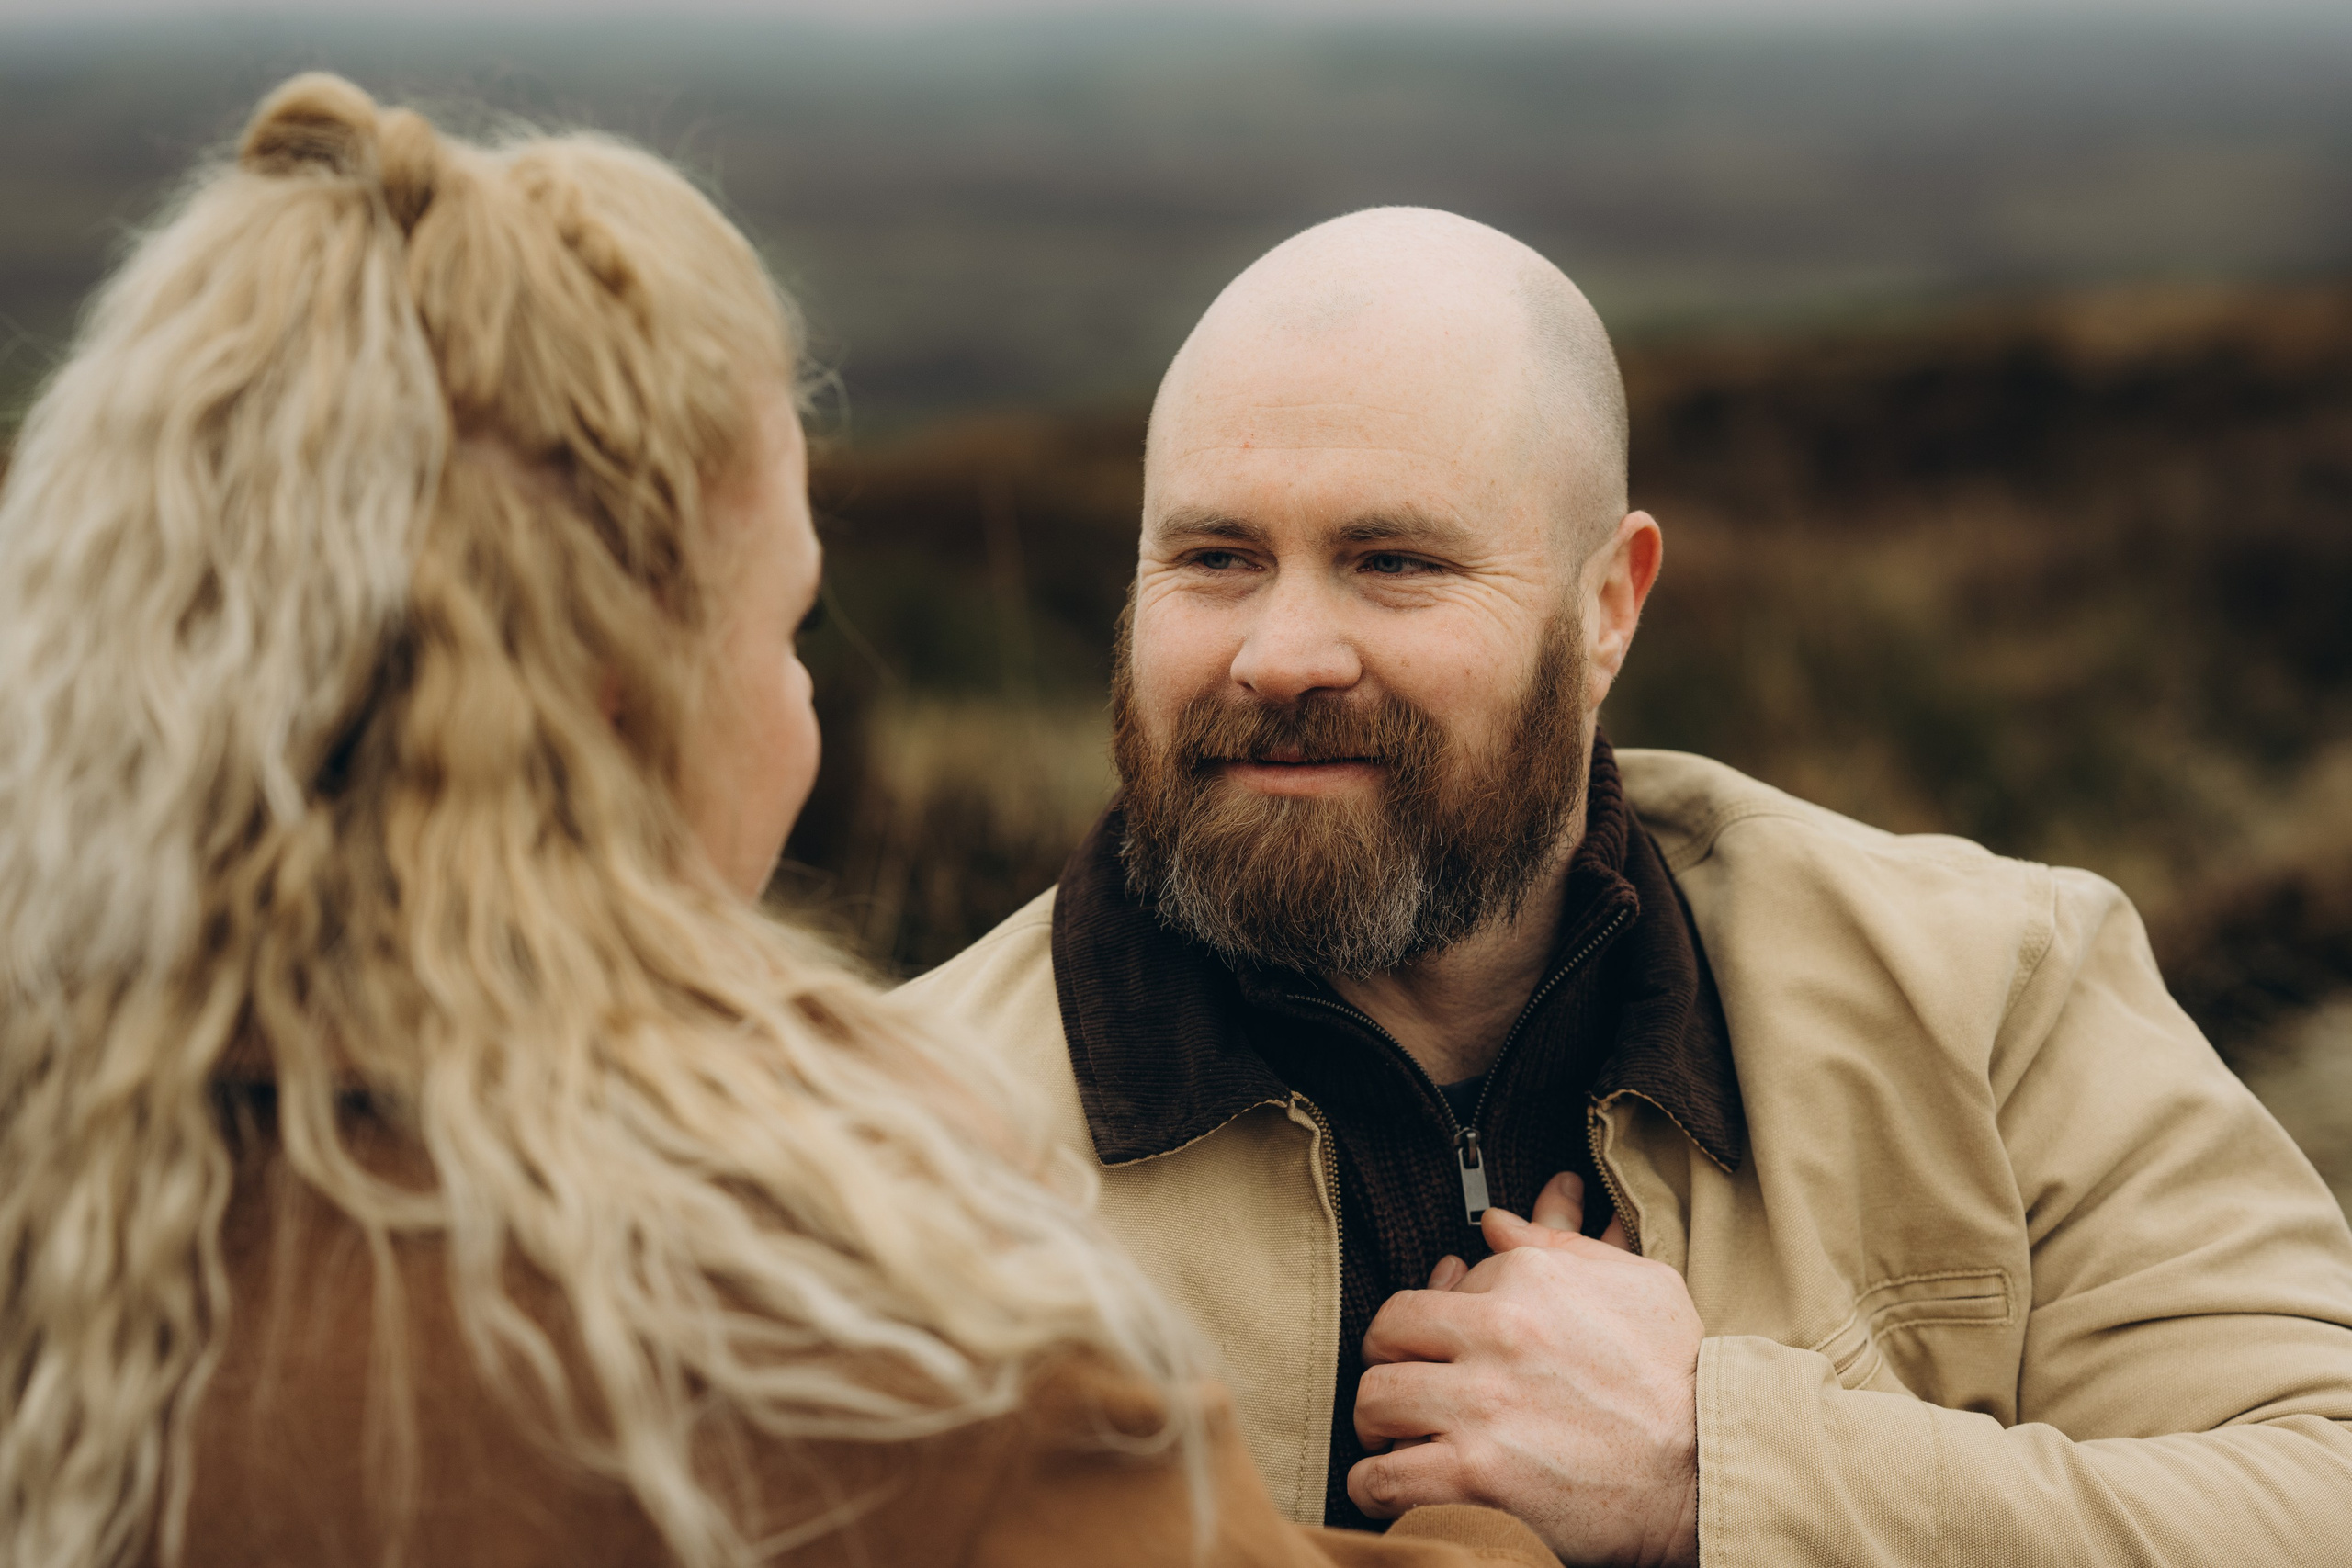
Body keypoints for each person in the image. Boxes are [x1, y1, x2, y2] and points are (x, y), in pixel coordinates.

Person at [0, 81, 1559, 1568]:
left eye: (1398, 563)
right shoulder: (853, 1349)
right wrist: (1512, 1501)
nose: (806, 711)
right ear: (610, 709)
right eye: (787, 630)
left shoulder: (76, 1215)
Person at [906, 205, 2352, 1563]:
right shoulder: (883, 1152)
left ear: (1608, 609)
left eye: (1392, 561)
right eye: (1215, 558)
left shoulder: (1993, 995)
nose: (1281, 652)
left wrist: (1718, 1474)